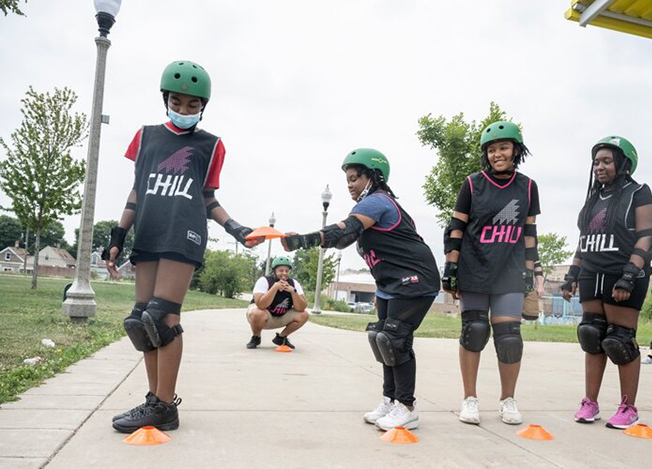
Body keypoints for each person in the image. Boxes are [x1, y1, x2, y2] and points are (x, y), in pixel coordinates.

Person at [104, 60, 262, 433]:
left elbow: (207, 199)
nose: (185, 110)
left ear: (203, 106)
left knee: (162, 317)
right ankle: (154, 401)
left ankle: (164, 403)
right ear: (165, 99)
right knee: (141, 321)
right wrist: (118, 235)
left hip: (183, 234)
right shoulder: (145, 137)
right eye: (177, 102)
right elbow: (137, 190)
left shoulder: (211, 145)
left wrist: (237, 228)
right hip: (148, 233)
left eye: (193, 105)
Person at [282, 148, 439, 431]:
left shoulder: (378, 201)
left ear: (373, 176)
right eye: (347, 180)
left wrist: (303, 240)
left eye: (354, 178)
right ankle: (390, 401)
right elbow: (345, 239)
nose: (350, 185)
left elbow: (343, 231)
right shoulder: (368, 207)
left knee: (395, 339)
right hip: (391, 285)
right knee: (382, 338)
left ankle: (406, 407)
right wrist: (305, 238)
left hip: (416, 279)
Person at [561, 136, 652, 429]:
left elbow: (647, 236)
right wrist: (572, 275)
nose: (599, 167)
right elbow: (584, 241)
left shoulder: (639, 192)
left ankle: (628, 407)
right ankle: (590, 403)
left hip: (622, 273)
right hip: (592, 273)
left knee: (620, 340)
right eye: (596, 162)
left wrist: (630, 274)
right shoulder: (594, 197)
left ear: (624, 165)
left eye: (607, 161)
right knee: (592, 336)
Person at [443, 121, 540, 425]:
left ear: (516, 150)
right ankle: (469, 399)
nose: (498, 153)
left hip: (509, 272)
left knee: (510, 338)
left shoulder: (527, 186)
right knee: (474, 332)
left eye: (503, 147)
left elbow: (529, 232)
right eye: (492, 149)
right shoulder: (473, 184)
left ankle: (507, 400)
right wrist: (451, 266)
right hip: (474, 268)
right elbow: (456, 228)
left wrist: (532, 270)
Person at [246, 256, 309, 349]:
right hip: (263, 315)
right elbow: (261, 305)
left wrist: (293, 291)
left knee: (304, 314)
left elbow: (301, 308)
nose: (284, 273)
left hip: (281, 316)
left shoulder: (294, 283)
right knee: (257, 312)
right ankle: (256, 337)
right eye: (281, 270)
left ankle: (281, 338)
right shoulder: (264, 281)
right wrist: (275, 287)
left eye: (287, 271)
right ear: (274, 271)